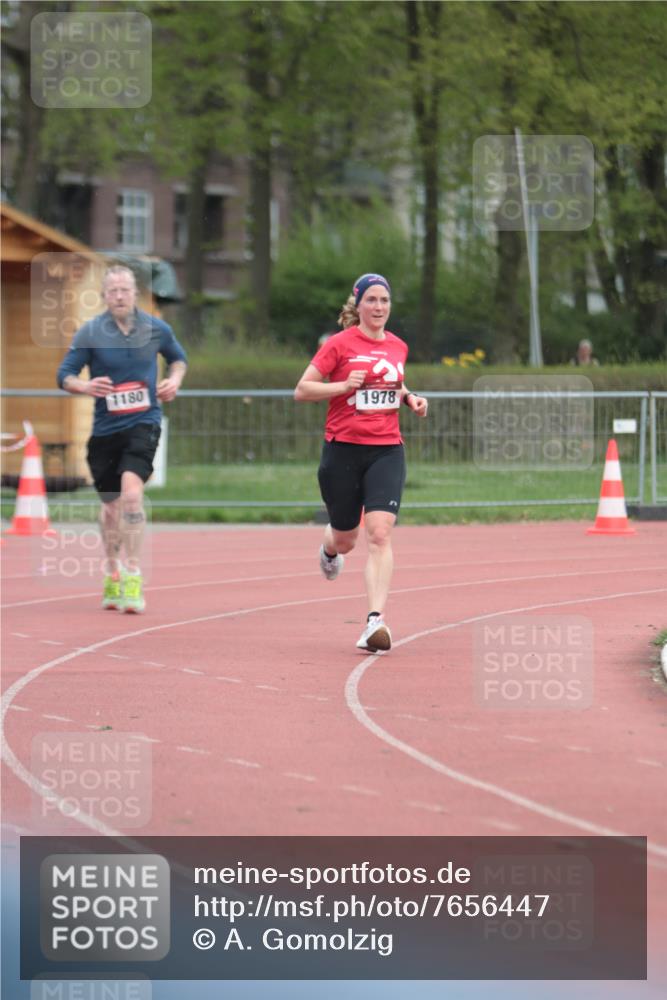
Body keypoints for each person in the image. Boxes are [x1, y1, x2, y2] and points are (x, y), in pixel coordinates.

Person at [294, 272, 428, 652]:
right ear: (358, 305)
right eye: (371, 300)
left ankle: (374, 622)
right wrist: (342, 386)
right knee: (346, 538)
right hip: (343, 450)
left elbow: (392, 382)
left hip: (387, 449)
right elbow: (302, 389)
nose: (379, 307)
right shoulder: (339, 345)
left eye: (384, 300)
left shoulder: (398, 346)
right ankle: (330, 550)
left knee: (380, 533)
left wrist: (410, 398)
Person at [57, 265, 187, 613]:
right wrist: (85, 385)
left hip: (143, 423)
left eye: (124, 289)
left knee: (131, 496)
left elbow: (178, 360)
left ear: (135, 293)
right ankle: (112, 571)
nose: (118, 295)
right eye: (112, 290)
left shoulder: (155, 328)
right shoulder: (90, 332)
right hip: (105, 431)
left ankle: (133, 573)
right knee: (111, 506)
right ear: (103, 296)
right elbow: (64, 375)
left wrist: (174, 381)